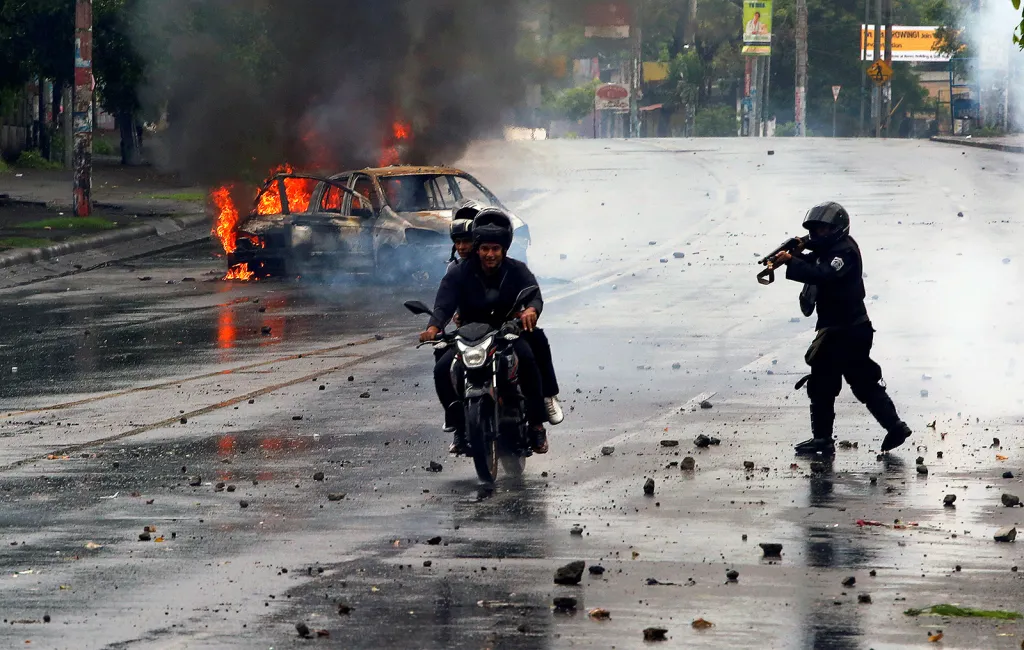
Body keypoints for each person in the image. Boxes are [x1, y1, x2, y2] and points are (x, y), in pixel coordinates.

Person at [774, 202, 912, 457]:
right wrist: (797, 248)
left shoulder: (843, 252)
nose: (817, 235)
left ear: (837, 229)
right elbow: (816, 257)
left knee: (827, 384)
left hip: (845, 331)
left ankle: (824, 440)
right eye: (814, 230)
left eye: (823, 230)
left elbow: (823, 273)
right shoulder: (830, 247)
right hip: (847, 329)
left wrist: (792, 261)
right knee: (858, 381)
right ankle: (894, 427)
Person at [420, 208, 551, 455]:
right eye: (484, 249)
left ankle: (536, 425)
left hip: (506, 332)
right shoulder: (459, 272)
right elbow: (444, 303)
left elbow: (533, 294)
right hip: (468, 335)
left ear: (503, 249)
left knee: (529, 361)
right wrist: (433, 327)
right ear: (477, 248)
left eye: (495, 249)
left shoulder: (517, 270)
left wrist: (530, 310)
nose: (490, 254)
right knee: (441, 369)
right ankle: (459, 427)